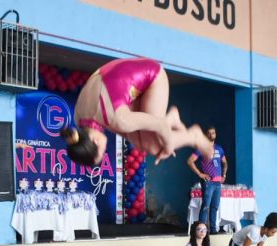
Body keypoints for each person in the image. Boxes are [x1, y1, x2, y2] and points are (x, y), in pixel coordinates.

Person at [61, 58, 213, 166]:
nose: (105, 151)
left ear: (96, 141)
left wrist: (168, 146)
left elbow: (159, 126)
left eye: (102, 152)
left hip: (152, 75)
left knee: (154, 146)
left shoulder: (118, 119)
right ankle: (171, 119)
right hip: (121, 83)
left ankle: (194, 136)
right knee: (141, 145)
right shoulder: (80, 119)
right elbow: (126, 131)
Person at [188, 126, 228, 234]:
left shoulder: (219, 148)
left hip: (218, 183)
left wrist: (224, 175)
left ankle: (213, 230)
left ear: (215, 134)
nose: (211, 135)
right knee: (205, 206)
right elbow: (190, 161)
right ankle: (201, 231)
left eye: (213, 133)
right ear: (205, 135)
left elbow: (225, 162)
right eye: (209, 133)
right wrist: (200, 174)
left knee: (215, 207)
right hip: (208, 182)